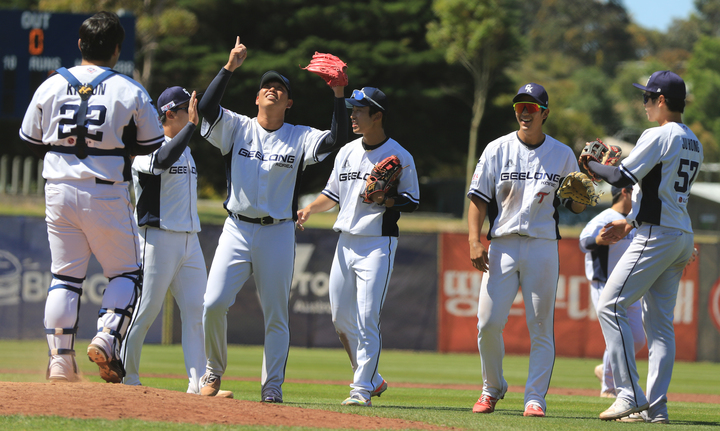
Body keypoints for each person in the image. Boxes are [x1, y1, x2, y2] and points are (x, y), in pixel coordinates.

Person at [197, 38, 348, 402]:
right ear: (256, 98)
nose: (272, 90)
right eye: (267, 86)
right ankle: (213, 371)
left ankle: (272, 386)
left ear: (289, 102)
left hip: (278, 232)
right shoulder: (237, 128)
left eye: (280, 88)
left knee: (277, 315)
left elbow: (337, 140)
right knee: (213, 303)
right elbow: (204, 108)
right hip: (236, 228)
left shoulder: (298, 136)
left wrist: (340, 93)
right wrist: (229, 66)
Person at [18, 11, 165, 383]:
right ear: (117, 49)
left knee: (65, 277)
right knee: (127, 272)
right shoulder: (130, 89)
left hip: (58, 189)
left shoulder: (51, 84)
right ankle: (106, 335)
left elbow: (30, 141)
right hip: (104, 190)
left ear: (81, 44)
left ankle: (59, 362)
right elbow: (151, 145)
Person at [583, 71, 703, 423]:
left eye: (648, 98)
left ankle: (629, 394)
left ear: (662, 100)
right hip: (680, 234)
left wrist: (591, 164)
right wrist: (631, 221)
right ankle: (656, 407)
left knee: (610, 304)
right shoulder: (693, 140)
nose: (645, 104)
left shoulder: (659, 134)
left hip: (658, 234)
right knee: (661, 326)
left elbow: (622, 178)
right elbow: (659, 192)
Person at [467, 83, 587, 417]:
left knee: (540, 327)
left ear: (545, 113)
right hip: (502, 244)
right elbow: (478, 197)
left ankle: (535, 397)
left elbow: (575, 207)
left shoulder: (563, 154)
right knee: (487, 323)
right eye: (520, 105)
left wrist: (580, 192)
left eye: (532, 107)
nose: (525, 112)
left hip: (542, 246)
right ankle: (492, 388)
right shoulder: (496, 149)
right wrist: (474, 240)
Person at [296, 87, 420, 406]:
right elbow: (333, 195)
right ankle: (374, 379)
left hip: (378, 243)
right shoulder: (347, 152)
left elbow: (413, 201)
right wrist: (310, 208)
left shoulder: (399, 154)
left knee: (367, 318)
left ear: (377, 115)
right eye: (351, 109)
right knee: (340, 319)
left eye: (359, 110)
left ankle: (361, 388)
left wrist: (386, 198)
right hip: (345, 243)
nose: (352, 115)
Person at [119, 87, 233, 398]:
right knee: (146, 309)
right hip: (157, 239)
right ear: (170, 113)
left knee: (197, 312)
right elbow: (163, 160)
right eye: (187, 108)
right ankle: (126, 376)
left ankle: (197, 384)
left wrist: (227, 69)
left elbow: (177, 151)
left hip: (189, 241)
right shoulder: (146, 148)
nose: (192, 112)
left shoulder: (187, 149)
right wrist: (193, 127)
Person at [579, 186, 645, 398]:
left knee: (636, 339)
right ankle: (609, 387)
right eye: (635, 190)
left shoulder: (634, 220)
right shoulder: (606, 216)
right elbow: (583, 241)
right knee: (617, 336)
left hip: (630, 286)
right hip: (605, 284)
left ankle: (604, 369)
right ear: (625, 191)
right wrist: (598, 240)